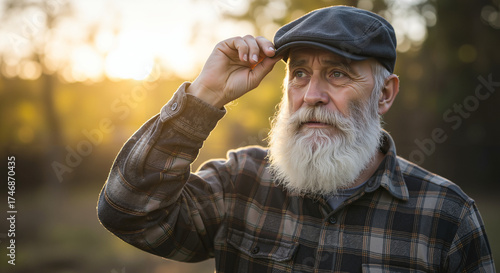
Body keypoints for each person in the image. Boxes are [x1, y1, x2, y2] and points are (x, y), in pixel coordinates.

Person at [97, 6, 495, 272]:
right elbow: (127, 212)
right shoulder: (242, 182)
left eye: (338, 73)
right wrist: (205, 96)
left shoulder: (447, 216)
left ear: (385, 95)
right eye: (300, 73)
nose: (311, 94)